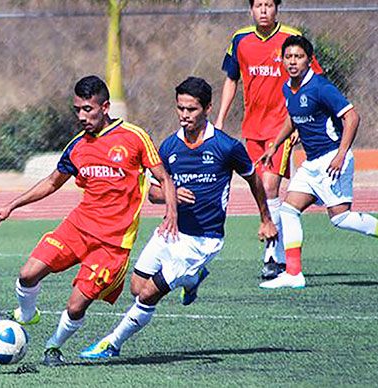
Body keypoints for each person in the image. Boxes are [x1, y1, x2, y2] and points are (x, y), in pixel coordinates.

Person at [79, 77, 277, 359]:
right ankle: (192, 279)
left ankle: (111, 343)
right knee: (136, 288)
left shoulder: (226, 147)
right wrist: (173, 195)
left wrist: (265, 218)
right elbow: (154, 193)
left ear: (208, 108)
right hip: (171, 231)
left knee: (148, 294)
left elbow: (253, 179)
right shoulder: (170, 147)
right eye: (180, 109)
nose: (185, 115)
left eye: (192, 109)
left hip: (202, 240)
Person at [0, 75, 178, 366]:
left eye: (87, 109)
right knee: (28, 274)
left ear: (104, 107)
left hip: (113, 244)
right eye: (77, 109)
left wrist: (172, 213)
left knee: (76, 305)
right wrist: (12, 205)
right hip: (77, 228)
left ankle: (53, 346)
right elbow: (53, 182)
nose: (81, 116)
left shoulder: (134, 137)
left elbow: (163, 178)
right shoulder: (77, 146)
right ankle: (27, 316)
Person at [258, 36, 377, 289]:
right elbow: (293, 117)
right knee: (289, 210)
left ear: (309, 60)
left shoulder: (321, 87)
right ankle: (294, 274)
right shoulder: (288, 87)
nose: (292, 61)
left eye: (298, 57)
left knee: (340, 219)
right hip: (311, 164)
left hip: (331, 159)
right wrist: (275, 145)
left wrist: (341, 154)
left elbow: (352, 118)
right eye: (288, 57)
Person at [217, 0, 322, 280]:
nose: (263, 10)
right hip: (252, 129)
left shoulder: (291, 37)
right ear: (251, 9)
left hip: (281, 128)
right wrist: (220, 119)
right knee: (262, 190)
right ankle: (284, 252)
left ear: (277, 8)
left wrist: (301, 118)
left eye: (268, 4)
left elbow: (313, 80)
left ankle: (272, 255)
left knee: (269, 185)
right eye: (258, 5)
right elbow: (231, 80)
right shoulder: (240, 40)